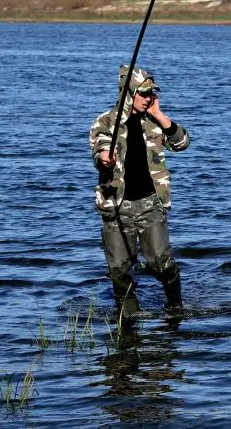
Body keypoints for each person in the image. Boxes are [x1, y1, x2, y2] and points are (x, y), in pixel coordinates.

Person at [89, 65, 190, 319]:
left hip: (150, 204)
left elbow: (182, 143)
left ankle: (175, 308)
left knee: (160, 262)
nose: (149, 99)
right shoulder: (105, 122)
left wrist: (160, 115)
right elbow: (100, 152)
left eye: (151, 94)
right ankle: (128, 324)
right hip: (116, 208)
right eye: (144, 94)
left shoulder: (153, 122)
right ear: (128, 93)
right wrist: (105, 158)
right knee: (120, 271)